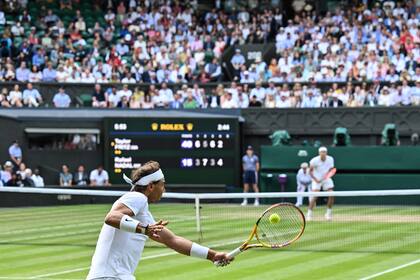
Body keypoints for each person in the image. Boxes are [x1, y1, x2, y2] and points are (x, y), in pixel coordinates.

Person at [87, 161, 232, 279]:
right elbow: (111, 217)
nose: (164, 189)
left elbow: (173, 240)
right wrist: (144, 229)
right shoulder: (138, 197)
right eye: (162, 184)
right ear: (151, 186)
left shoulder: (143, 213)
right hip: (110, 277)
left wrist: (213, 255)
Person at [307, 147, 335, 221]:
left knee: (331, 194)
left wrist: (327, 175)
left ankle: (328, 214)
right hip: (316, 179)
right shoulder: (314, 160)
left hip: (326, 179)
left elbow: (331, 169)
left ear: (326, 153)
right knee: (315, 196)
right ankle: (309, 214)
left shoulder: (330, 159)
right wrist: (316, 180)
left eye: (324, 152)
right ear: (319, 153)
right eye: (322, 152)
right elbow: (310, 171)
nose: (323, 153)